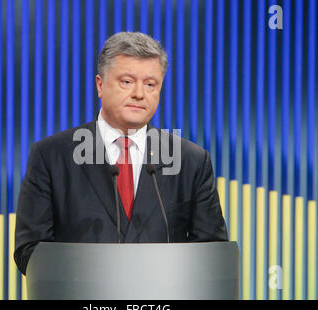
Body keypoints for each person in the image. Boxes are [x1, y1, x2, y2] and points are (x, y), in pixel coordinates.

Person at [14, 32, 228, 275]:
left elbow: (212, 251)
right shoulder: (51, 156)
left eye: (150, 84)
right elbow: (29, 249)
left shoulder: (191, 160)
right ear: (100, 85)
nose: (139, 93)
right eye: (127, 81)